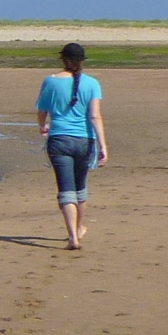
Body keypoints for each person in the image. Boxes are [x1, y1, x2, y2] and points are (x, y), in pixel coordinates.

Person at [35, 41, 109, 250]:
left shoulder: (50, 81)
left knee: (66, 189)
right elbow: (95, 116)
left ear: (64, 60)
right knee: (80, 188)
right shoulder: (92, 83)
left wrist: (43, 126)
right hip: (85, 140)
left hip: (59, 140)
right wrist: (103, 145)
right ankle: (78, 229)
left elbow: (42, 110)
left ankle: (72, 237)